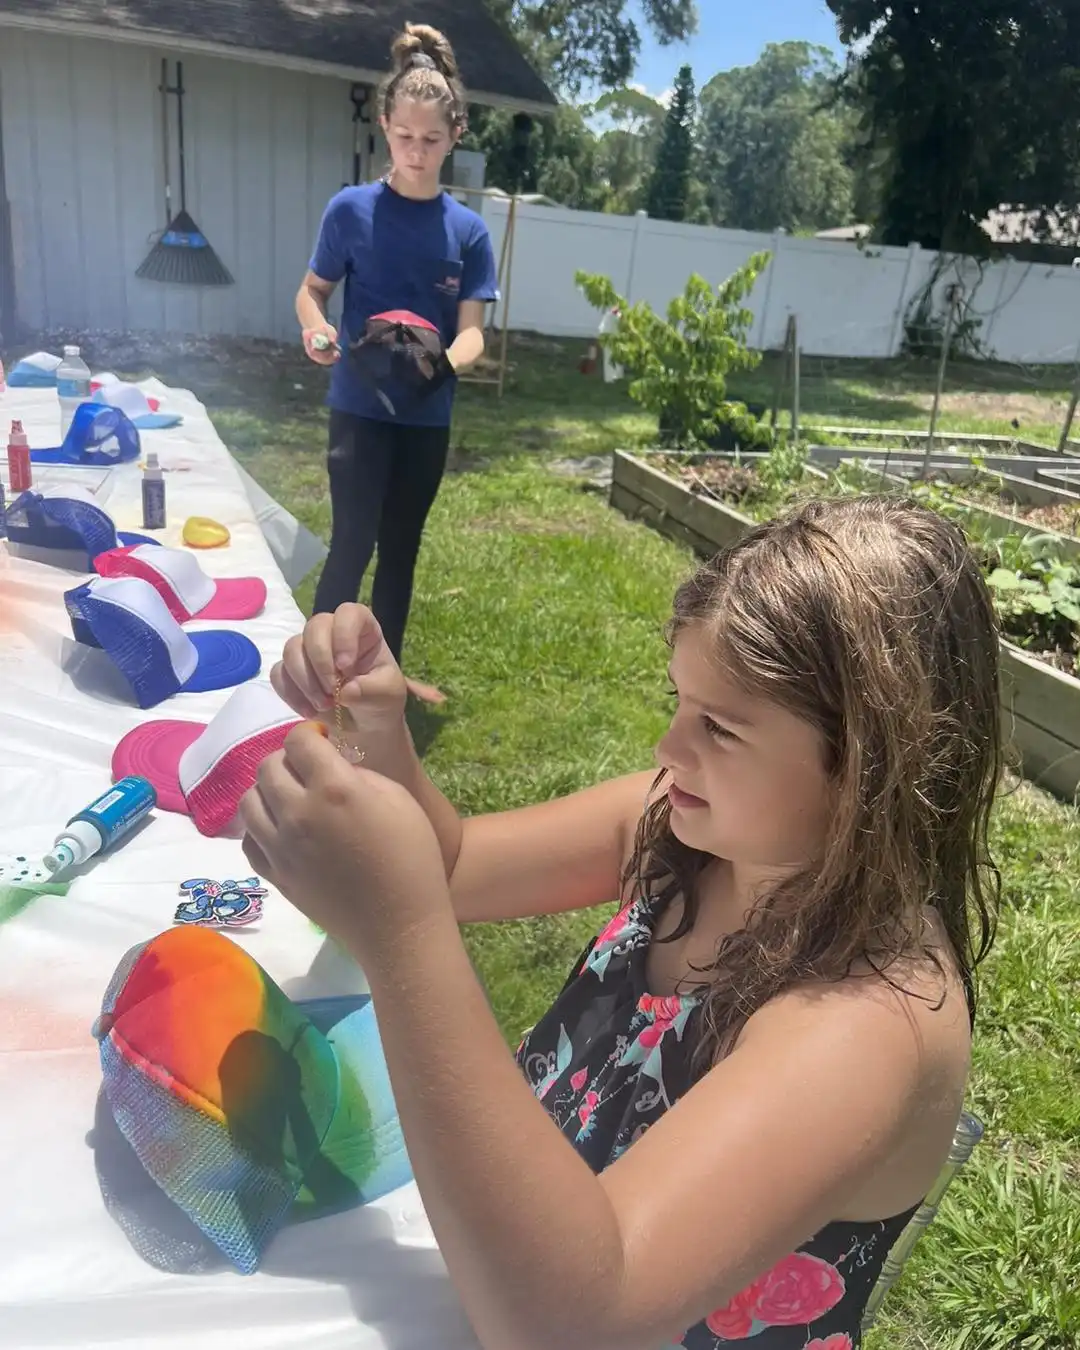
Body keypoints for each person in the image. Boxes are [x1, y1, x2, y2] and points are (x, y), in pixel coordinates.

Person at [240, 494, 1003, 1350]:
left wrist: (399, 936)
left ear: (869, 770)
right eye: (680, 700)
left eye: (718, 727)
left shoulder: (868, 1021)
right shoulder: (683, 834)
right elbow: (453, 866)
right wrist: (378, 726)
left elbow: (571, 1324)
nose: (669, 750)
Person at [296, 22, 498, 705]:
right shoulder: (350, 211)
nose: (417, 153)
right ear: (386, 126)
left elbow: (473, 336)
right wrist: (316, 327)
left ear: (456, 134)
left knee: (400, 550)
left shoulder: (467, 232)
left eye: (431, 140)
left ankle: (380, 688)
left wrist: (438, 365)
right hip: (358, 408)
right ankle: (315, 681)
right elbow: (312, 290)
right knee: (351, 542)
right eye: (405, 137)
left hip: (424, 416)